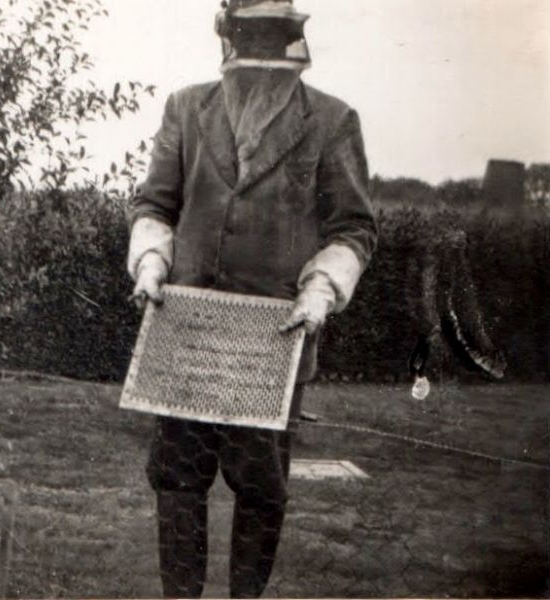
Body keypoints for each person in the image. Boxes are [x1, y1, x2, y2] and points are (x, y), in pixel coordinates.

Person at [126, 1, 378, 597]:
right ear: (230, 38)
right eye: (250, 36)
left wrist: (320, 289)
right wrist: (152, 261)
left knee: (261, 488)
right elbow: (154, 204)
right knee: (178, 482)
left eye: (271, 37)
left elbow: (353, 227)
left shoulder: (332, 119)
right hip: (187, 332)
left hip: (275, 339)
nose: (259, 53)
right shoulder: (187, 108)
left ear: (290, 39)